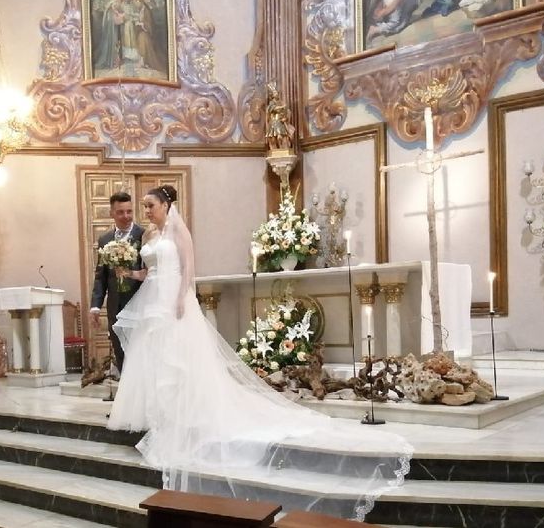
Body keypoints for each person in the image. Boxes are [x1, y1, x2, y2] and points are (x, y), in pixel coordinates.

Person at [106, 185, 412, 521]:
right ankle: (161, 417)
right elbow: (148, 272)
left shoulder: (179, 230)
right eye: (144, 206)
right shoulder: (149, 233)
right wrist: (128, 272)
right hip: (152, 301)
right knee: (155, 360)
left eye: (150, 205)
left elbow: (189, 268)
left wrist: (182, 297)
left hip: (175, 301)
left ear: (165, 204)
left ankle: (185, 419)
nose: (145, 211)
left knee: (179, 361)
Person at [90, 192, 145, 373]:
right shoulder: (105, 240)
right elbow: (101, 276)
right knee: (119, 349)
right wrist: (95, 307)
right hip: (115, 305)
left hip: (139, 304)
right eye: (121, 212)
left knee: (139, 349)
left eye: (129, 211)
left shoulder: (143, 235)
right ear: (111, 213)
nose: (126, 216)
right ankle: (125, 392)